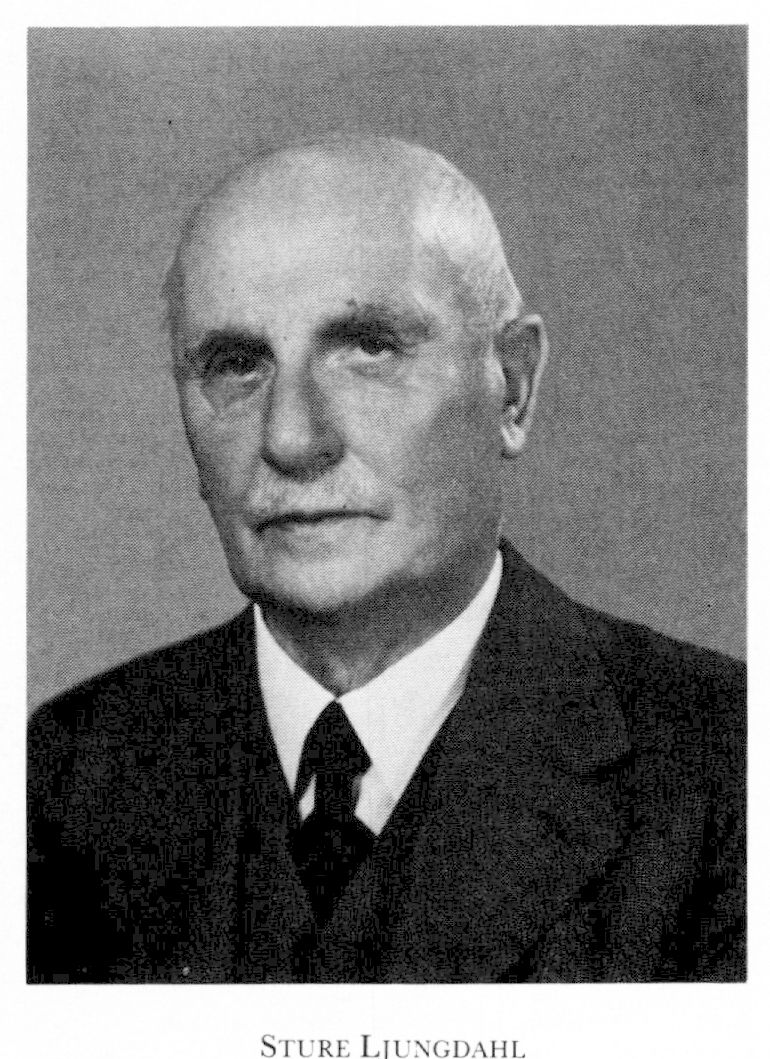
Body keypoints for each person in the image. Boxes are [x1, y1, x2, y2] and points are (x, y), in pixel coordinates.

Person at [27, 136, 745, 983]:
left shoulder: (727, 768)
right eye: (235, 365)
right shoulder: (60, 775)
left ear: (512, 387)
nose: (292, 438)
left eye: (368, 348)